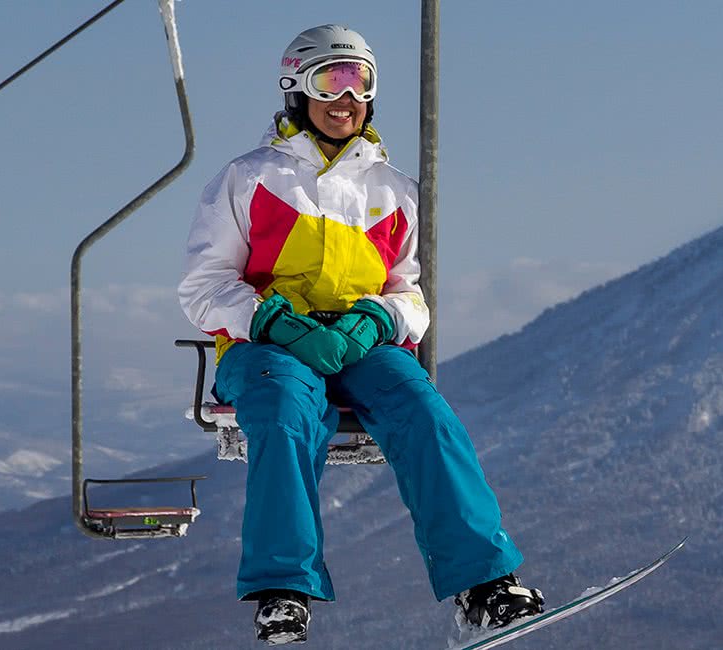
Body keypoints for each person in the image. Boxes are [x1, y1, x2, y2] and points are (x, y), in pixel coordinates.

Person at [177, 24, 542, 645]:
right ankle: (283, 589)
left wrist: (377, 319)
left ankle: (484, 583)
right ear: (296, 88)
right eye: (332, 81)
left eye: (361, 83)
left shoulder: (394, 189)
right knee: (286, 410)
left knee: (425, 412)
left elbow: (410, 293)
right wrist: (273, 319)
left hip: (360, 342)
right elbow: (203, 285)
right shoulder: (250, 179)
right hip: (267, 345)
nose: (347, 98)